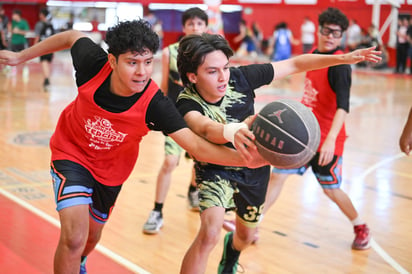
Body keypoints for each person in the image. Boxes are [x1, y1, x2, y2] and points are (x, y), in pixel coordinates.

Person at [0, 19, 268, 274]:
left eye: (148, 62)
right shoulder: (92, 64)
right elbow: (71, 36)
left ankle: (79, 261)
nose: (142, 71)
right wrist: (20, 56)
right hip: (72, 153)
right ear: (113, 61)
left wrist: (247, 159)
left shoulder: (155, 104)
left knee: (90, 239)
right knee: (73, 238)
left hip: (112, 171)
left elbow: (197, 146)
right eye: (132, 62)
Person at [176, 29, 381, 272]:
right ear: (192, 76)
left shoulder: (241, 77)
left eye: (226, 67)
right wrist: (235, 130)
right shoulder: (186, 102)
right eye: (212, 71)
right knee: (209, 233)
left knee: (246, 237)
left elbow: (295, 63)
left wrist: (342, 58)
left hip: (255, 168)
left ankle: (232, 252)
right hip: (216, 168)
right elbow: (206, 128)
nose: (223, 77)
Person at [259, 7, 373, 251]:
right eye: (326, 30)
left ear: (342, 36)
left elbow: (343, 106)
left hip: (328, 138)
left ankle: (360, 225)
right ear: (319, 30)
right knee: (278, 175)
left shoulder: (340, 66)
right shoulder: (314, 55)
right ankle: (254, 223)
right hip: (303, 135)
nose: (330, 36)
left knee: (331, 189)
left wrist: (331, 139)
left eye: (336, 33)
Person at [142, 7, 209, 235]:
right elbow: (163, 87)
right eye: (191, 24)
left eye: (199, 24)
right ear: (184, 27)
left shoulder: (210, 54)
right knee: (170, 162)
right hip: (176, 118)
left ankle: (193, 190)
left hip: (202, 117)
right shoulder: (171, 52)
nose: (195, 28)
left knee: (202, 162)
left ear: (205, 27)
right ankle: (157, 211)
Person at [34, 7, 55, 88]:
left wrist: (34, 48)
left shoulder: (39, 24)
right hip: (51, 47)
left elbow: (37, 37)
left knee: (44, 62)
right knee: (47, 63)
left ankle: (46, 79)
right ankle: (47, 78)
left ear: (42, 15)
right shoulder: (51, 24)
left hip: (43, 46)